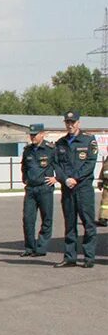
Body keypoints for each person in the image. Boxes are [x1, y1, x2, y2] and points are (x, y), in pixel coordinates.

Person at [52, 111, 98, 268]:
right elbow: (56, 165)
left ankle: (89, 257)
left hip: (83, 188)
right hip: (67, 189)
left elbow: (90, 163)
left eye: (73, 122)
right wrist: (65, 179)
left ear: (78, 122)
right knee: (69, 224)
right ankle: (70, 257)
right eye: (67, 122)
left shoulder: (88, 140)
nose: (70, 125)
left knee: (88, 223)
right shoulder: (60, 143)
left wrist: (75, 178)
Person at [19, 123, 54, 257]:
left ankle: (41, 248)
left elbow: (61, 164)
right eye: (31, 134)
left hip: (45, 188)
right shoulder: (27, 150)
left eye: (35, 134)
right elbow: (24, 167)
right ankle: (29, 248)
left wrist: (56, 178)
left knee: (46, 219)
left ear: (42, 134)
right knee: (28, 219)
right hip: (31, 190)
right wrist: (25, 179)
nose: (32, 137)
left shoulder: (50, 149)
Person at [98, 154, 108, 227]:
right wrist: (100, 182)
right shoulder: (107, 160)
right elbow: (102, 172)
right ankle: (103, 218)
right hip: (106, 187)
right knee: (104, 204)